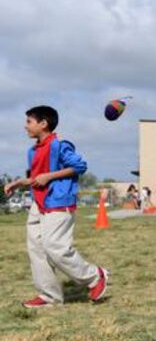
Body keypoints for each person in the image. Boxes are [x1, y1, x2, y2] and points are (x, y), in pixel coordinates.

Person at [3, 105, 110, 308]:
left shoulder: (60, 146)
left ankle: (95, 276)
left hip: (58, 203)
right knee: (37, 250)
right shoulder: (32, 151)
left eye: (29, 122)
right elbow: (37, 178)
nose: (25, 126)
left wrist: (49, 176)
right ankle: (49, 296)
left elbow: (80, 166)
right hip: (38, 203)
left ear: (43, 124)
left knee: (55, 247)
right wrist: (18, 182)